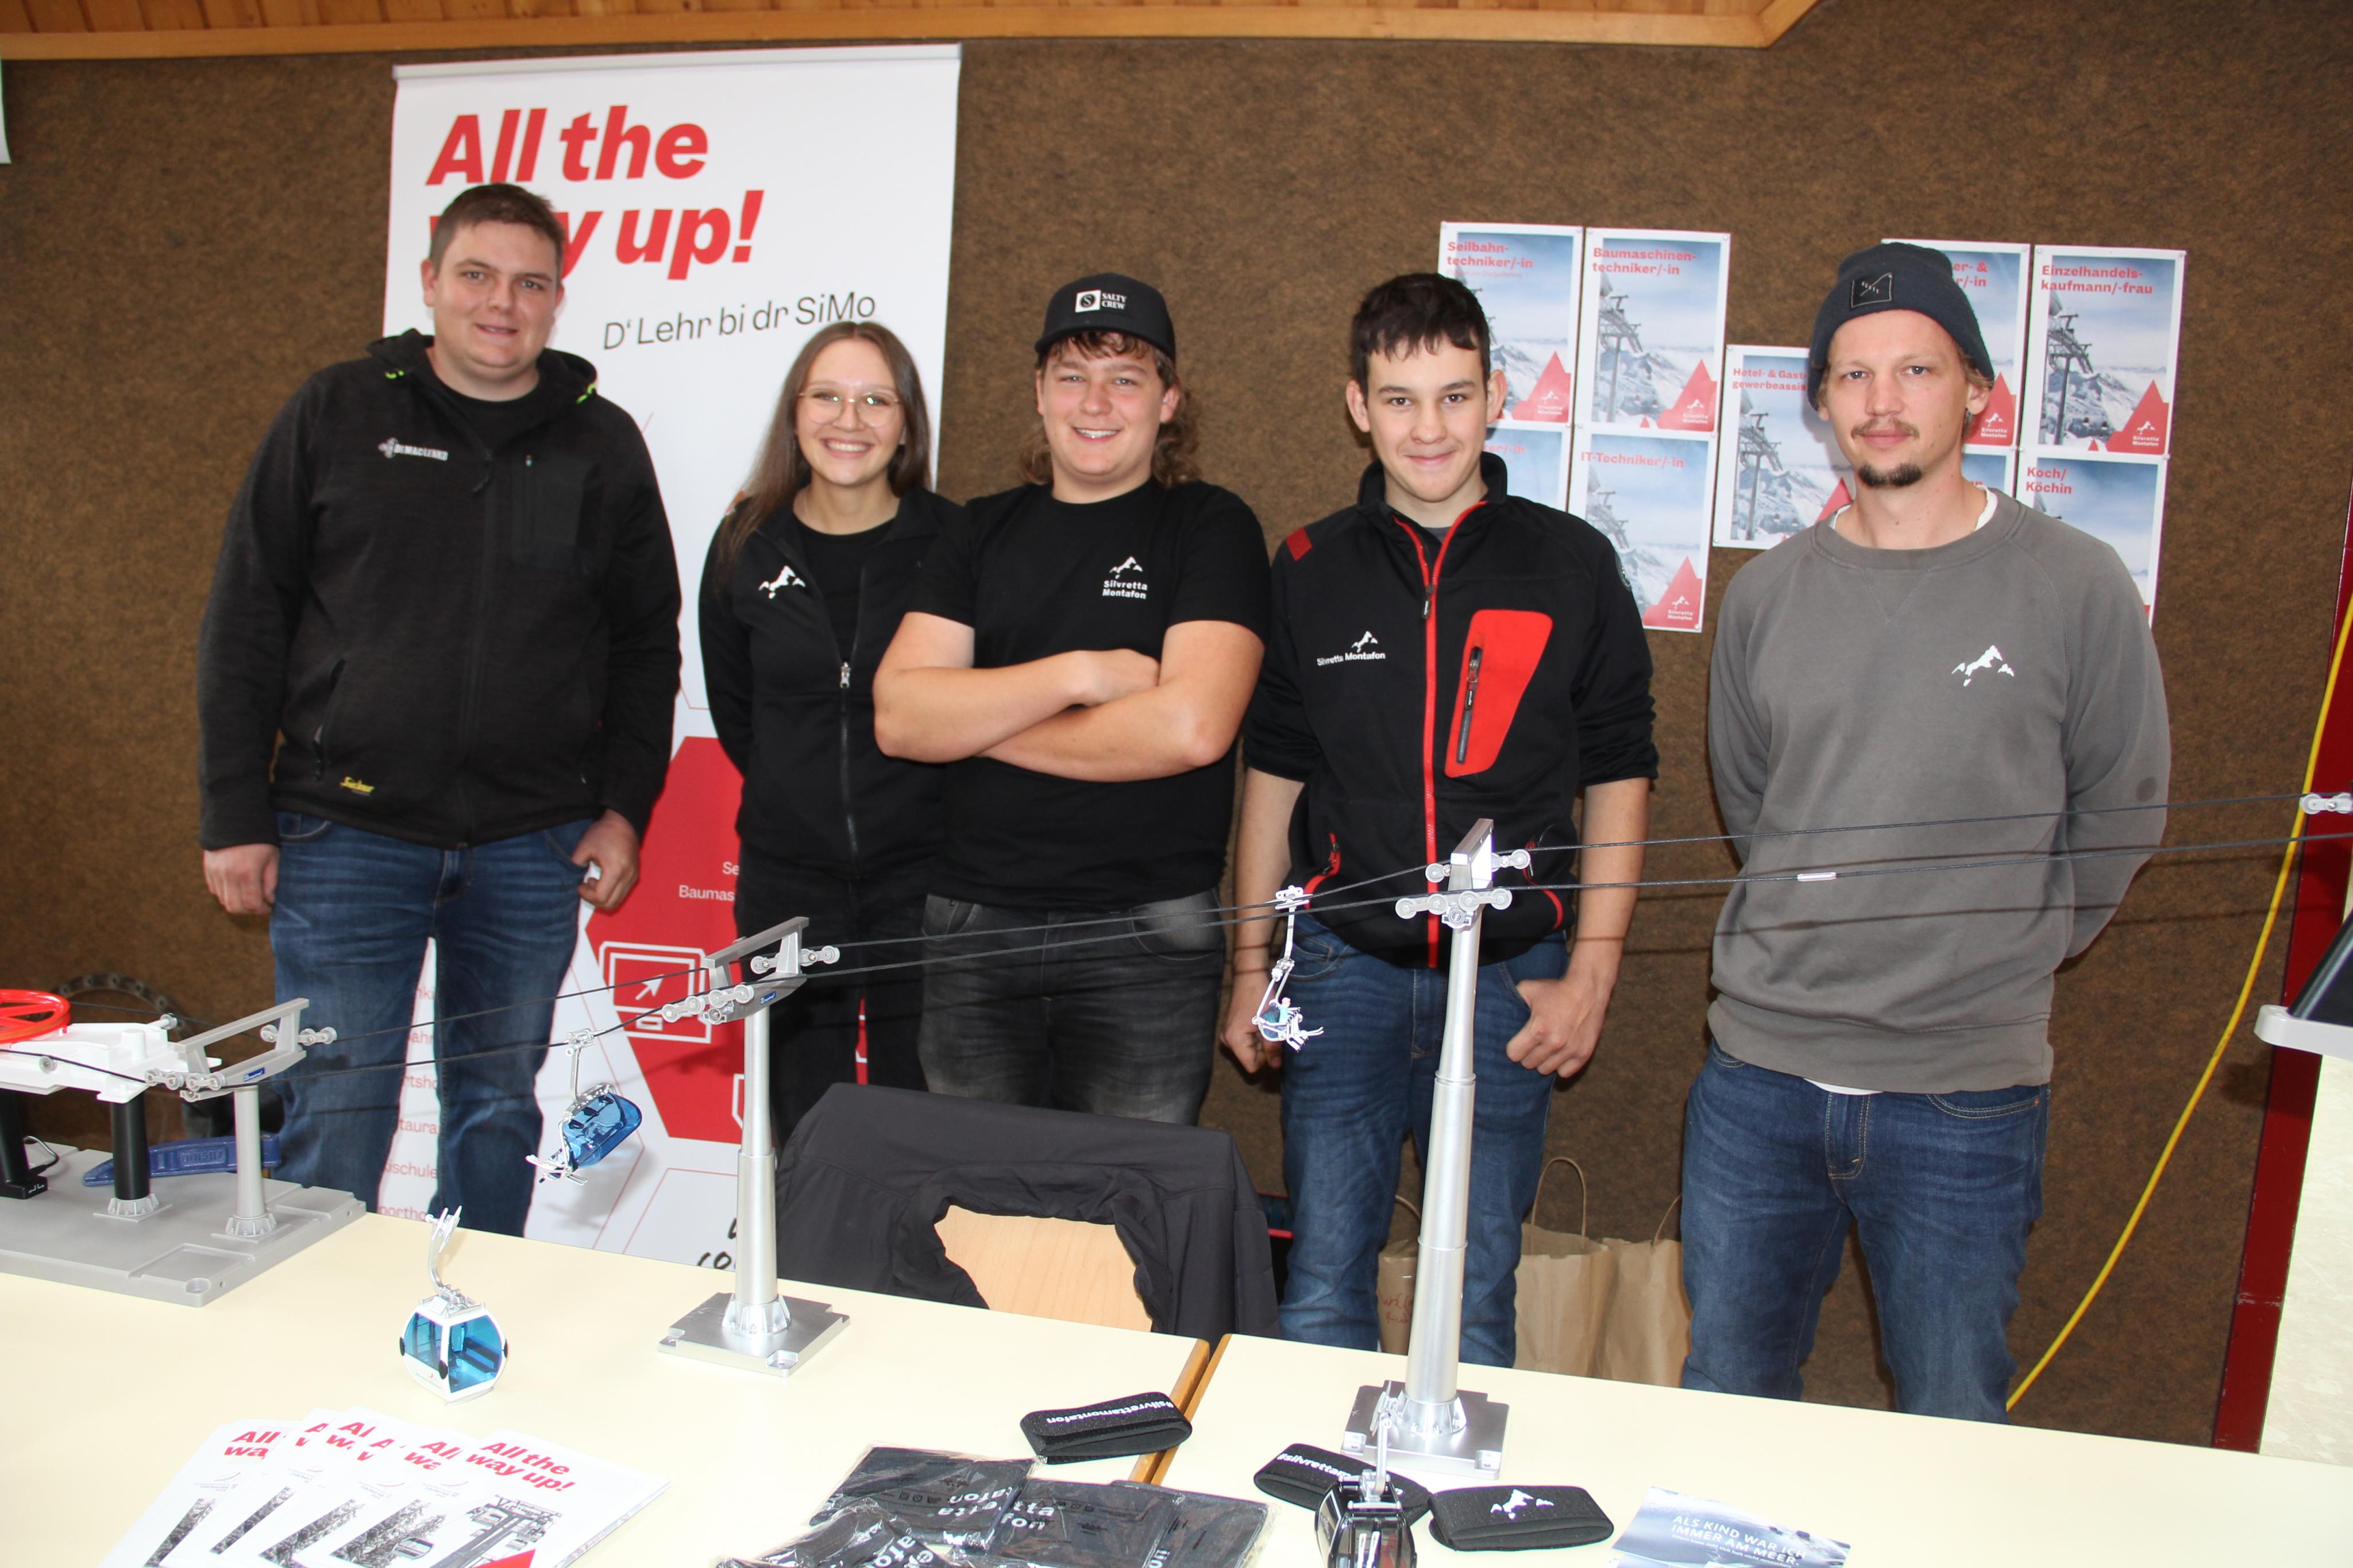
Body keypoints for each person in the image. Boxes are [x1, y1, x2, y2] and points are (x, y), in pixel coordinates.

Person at [1685, 242, 2171, 1420]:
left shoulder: (2074, 584)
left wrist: (2009, 941)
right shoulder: (1766, 596)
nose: (1882, 400)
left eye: (1915, 369)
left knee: (1952, 1419)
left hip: (1963, 1094)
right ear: (1821, 404)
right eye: (1852, 375)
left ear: (1976, 392)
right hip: (1759, 1081)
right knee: (1726, 1401)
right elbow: (1755, 804)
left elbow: (2123, 804)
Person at [196, 183, 680, 1235]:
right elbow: (246, 616)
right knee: (338, 1106)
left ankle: (473, 1308)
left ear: (558, 299)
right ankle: (318, 1322)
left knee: (498, 1107)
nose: (502, 303)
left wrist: (624, 808)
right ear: (428, 282)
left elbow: (647, 643)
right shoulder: (336, 410)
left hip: (532, 841)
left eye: (530, 283)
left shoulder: (603, 444)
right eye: (476, 275)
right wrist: (233, 811)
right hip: (344, 835)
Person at [1221, 272, 1657, 1366]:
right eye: (1400, 399)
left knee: (1475, 1289)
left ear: (1497, 398)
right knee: (1324, 1278)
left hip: (1511, 978)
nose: (1430, 427)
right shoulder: (1309, 567)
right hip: (1340, 970)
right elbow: (1273, 776)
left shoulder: (1572, 563)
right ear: (1358, 407)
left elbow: (1620, 770)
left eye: (1455, 396)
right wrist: (1249, 970)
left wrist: (1594, 973)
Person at [873, 273, 1268, 1125]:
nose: (1095, 402)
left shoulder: (1211, 526)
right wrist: (1080, 675)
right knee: (974, 1192)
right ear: (1039, 393)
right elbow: (901, 717)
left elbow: (1191, 729)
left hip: (1145, 935)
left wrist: (974, 722)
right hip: (975, 925)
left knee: (1127, 1196)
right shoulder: (975, 531)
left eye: (1125, 377)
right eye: (1072, 376)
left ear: (1168, 400)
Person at [699, 322, 960, 1138]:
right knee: (801, 1128)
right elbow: (737, 710)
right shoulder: (745, 542)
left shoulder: (954, 541)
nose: (850, 420)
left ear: (908, 424)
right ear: (795, 413)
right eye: (828, 397)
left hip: (927, 880)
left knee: (926, 1123)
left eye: (876, 400)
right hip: (787, 886)